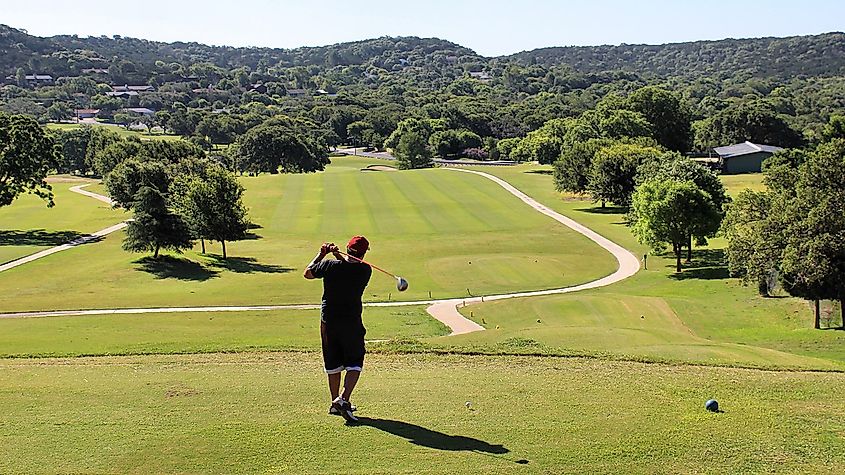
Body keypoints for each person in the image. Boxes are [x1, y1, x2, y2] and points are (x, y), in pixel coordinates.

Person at [303, 235, 372, 423]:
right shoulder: (366, 270)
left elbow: (307, 273)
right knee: (355, 362)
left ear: (347, 249)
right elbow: (350, 268)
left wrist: (322, 254)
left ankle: (335, 404)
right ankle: (343, 399)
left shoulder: (329, 266)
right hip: (351, 322)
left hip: (329, 321)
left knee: (333, 363)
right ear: (364, 253)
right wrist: (335, 256)